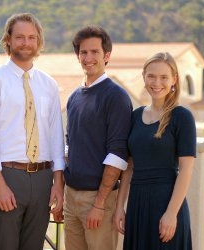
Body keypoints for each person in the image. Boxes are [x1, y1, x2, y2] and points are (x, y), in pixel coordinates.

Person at [0, 13, 65, 250]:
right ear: (8, 40)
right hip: (7, 176)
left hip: (44, 178)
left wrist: (58, 183)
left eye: (32, 38)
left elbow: (56, 134)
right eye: (20, 37)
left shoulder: (49, 85)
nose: (26, 43)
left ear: (39, 42)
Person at [115, 52, 196, 249]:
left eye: (163, 77)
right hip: (137, 205)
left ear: (174, 80)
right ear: (144, 77)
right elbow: (129, 167)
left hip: (167, 204)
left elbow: (186, 169)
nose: (156, 82)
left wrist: (171, 213)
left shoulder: (181, 117)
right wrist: (119, 207)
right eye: (151, 76)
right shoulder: (134, 117)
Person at [64, 25, 132, 250]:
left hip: (97, 200)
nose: (88, 58)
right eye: (83, 52)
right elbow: (70, 146)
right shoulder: (74, 97)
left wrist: (100, 203)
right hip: (71, 198)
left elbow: (118, 154)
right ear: (78, 56)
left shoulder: (116, 97)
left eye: (95, 52)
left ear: (107, 55)